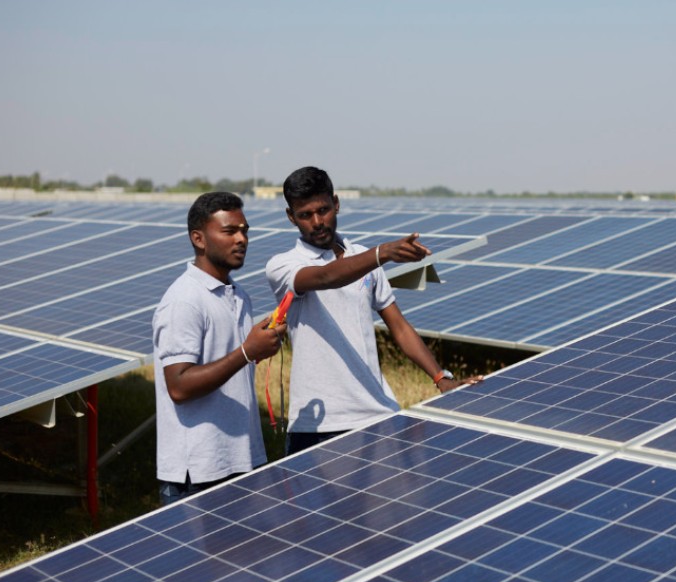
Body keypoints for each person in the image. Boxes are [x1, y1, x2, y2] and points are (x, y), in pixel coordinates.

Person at [266, 166, 483, 455]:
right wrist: (383, 254)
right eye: (305, 215)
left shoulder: (364, 259)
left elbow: (399, 326)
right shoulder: (283, 265)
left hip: (378, 415)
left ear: (337, 203)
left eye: (323, 210)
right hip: (318, 426)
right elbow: (326, 277)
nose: (317, 221)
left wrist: (441, 378)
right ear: (291, 217)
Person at [152, 192, 286, 505]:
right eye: (229, 231)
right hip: (198, 473)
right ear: (199, 239)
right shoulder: (184, 300)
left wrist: (256, 346)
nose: (241, 239)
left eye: (245, 230)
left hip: (240, 461)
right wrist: (246, 352)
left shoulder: (238, 295)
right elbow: (179, 386)